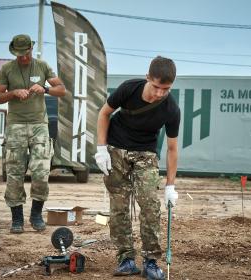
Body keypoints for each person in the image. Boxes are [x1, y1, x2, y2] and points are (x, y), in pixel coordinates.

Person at [95, 56, 180, 280]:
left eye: (166, 88)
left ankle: (151, 262)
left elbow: (172, 148)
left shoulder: (171, 108)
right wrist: (101, 149)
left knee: (150, 205)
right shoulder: (128, 89)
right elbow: (104, 113)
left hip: (146, 153)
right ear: (147, 78)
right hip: (116, 149)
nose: (160, 93)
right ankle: (126, 260)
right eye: (156, 87)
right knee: (119, 207)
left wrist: (171, 186)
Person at [0, 34, 66, 234]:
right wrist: (13, 93)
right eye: (19, 54)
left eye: (26, 54)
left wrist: (45, 89)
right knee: (14, 173)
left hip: (39, 125)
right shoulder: (7, 69)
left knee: (41, 172)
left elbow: (62, 90)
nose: (23, 58)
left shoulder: (42, 66)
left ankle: (36, 215)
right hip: (15, 125)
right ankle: (17, 219)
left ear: (31, 50)